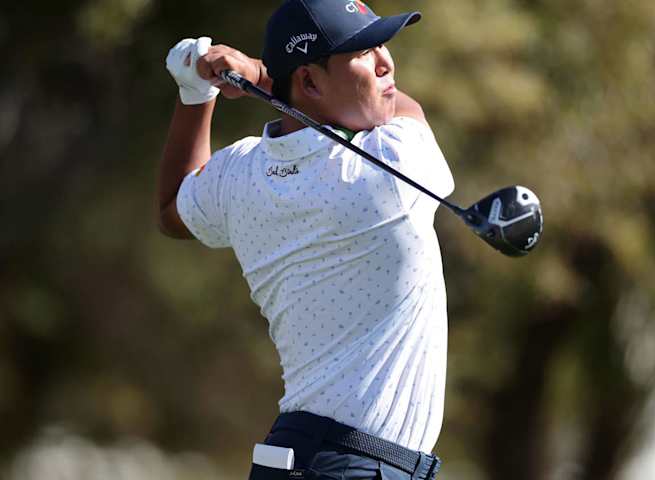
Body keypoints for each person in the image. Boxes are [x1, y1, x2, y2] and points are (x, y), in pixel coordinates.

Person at [158, 1, 452, 479]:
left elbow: (172, 209)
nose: (386, 64)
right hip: (356, 465)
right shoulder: (389, 168)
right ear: (310, 82)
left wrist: (195, 96)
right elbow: (408, 109)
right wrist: (262, 76)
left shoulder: (240, 172)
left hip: (299, 455)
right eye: (363, 53)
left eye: (382, 45)